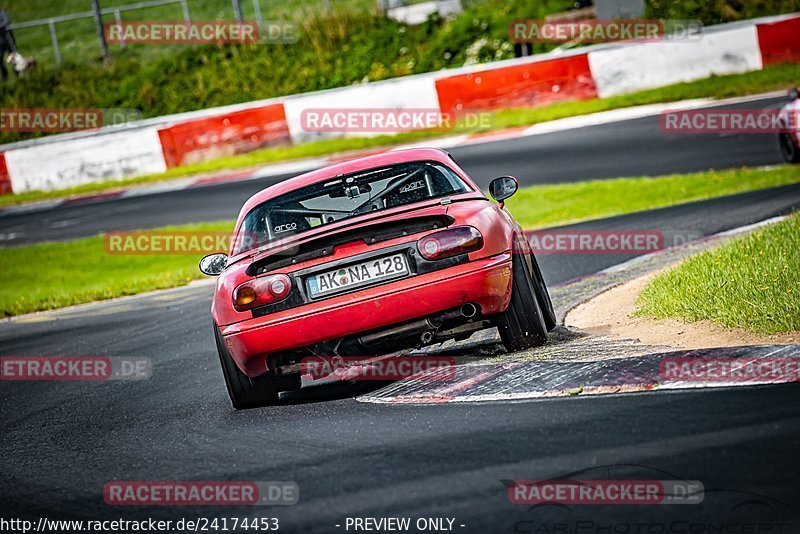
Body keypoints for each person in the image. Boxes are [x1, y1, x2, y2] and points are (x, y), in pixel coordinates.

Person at [0, 8, 17, 81]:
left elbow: (6, 21)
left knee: (13, 56)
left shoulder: (2, 12)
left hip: (8, 38)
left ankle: (17, 73)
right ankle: (4, 74)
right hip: (0, 42)